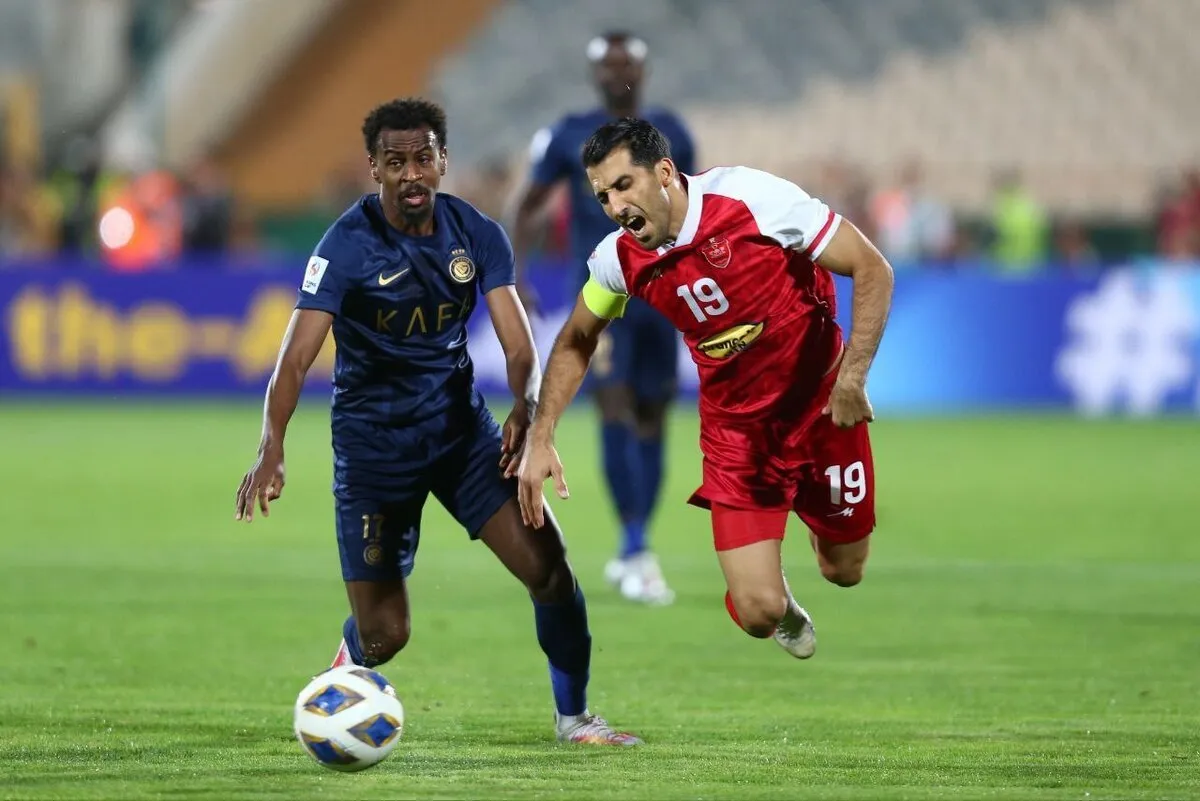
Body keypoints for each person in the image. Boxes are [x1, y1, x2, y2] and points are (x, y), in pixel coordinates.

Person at [233, 98, 639, 746]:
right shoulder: (345, 244)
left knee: (549, 569)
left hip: (461, 437)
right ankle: (342, 673)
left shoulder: (476, 234)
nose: (411, 174)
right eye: (395, 162)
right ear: (374, 167)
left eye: (423, 158)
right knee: (384, 636)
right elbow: (295, 357)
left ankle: (575, 718)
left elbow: (518, 346)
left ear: (443, 160)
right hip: (374, 452)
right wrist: (271, 445)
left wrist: (526, 410)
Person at [517, 118, 894, 659]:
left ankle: (811, 513)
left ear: (664, 172)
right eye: (603, 196)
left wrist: (853, 377)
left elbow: (871, 266)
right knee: (759, 613)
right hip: (739, 436)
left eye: (623, 185)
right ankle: (780, 605)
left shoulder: (752, 199)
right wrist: (542, 434)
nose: (616, 206)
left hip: (822, 408)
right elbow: (577, 337)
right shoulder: (617, 260)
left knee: (845, 570)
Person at [510, 32, 697, 605]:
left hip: (663, 291)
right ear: (595, 73)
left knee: (653, 412)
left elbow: (695, 204)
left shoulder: (672, 131)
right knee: (614, 405)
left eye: (626, 62)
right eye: (608, 64)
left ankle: (636, 541)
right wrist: (516, 274)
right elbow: (528, 204)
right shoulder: (570, 133)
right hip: (603, 292)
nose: (618, 72)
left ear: (643, 67)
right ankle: (635, 546)